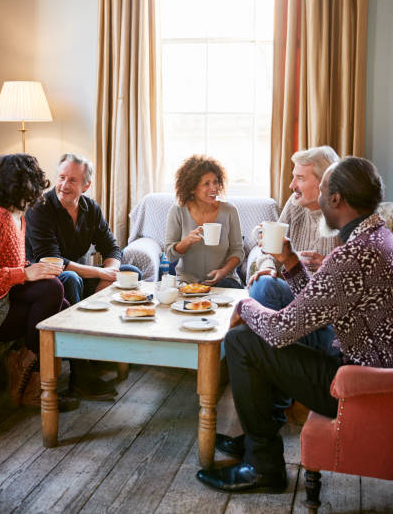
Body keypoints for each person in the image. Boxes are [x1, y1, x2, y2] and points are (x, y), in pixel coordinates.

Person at [196, 157, 393, 493]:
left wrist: (243, 303)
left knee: (245, 341)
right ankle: (254, 442)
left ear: (335, 199)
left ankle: (264, 468)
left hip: (360, 386)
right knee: (264, 332)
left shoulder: (354, 255)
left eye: (324, 192)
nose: (318, 200)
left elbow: (281, 329)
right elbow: (321, 305)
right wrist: (290, 263)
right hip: (369, 371)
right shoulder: (379, 238)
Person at [25, 153, 142, 400]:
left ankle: (105, 352)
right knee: (71, 280)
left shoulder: (91, 208)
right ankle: (80, 374)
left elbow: (112, 247)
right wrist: (101, 272)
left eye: (72, 180)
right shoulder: (40, 209)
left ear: (86, 185)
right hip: (46, 280)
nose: (64, 185)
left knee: (132, 274)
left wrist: (108, 277)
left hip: (80, 274)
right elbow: (54, 262)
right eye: (61, 177)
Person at [0, 154, 78, 411]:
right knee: (54, 290)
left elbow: (8, 265)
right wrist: (25, 274)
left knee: (61, 302)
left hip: (5, 294)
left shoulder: (18, 217)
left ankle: (35, 387)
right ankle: (23, 369)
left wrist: (35, 269)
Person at [249, 145, 341, 352]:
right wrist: (267, 265)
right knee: (263, 284)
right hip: (296, 298)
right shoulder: (295, 204)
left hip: (329, 312)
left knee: (337, 340)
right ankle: (274, 357)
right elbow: (268, 249)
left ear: (324, 182)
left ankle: (292, 358)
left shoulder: (344, 215)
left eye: (300, 178)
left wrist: (328, 264)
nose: (291, 186)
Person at [165, 155, 244, 288]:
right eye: (206, 183)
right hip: (187, 283)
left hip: (225, 280)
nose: (214, 188)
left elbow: (238, 251)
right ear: (192, 188)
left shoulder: (229, 210)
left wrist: (223, 272)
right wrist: (186, 242)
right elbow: (169, 255)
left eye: (216, 182)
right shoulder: (178, 211)